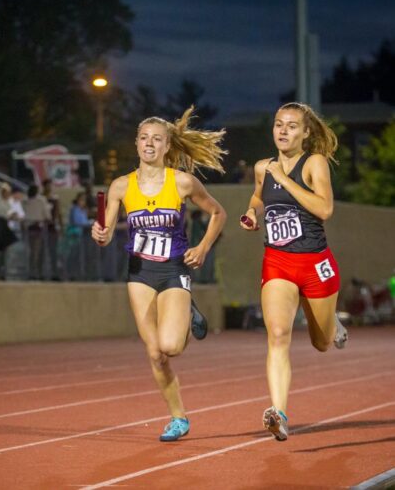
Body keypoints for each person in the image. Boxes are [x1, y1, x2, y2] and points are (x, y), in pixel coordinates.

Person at [91, 106, 227, 441]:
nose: (149, 144)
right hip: (139, 272)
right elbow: (106, 229)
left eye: (157, 139)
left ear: (167, 147)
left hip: (173, 270)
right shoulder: (121, 186)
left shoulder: (181, 182)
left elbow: (218, 212)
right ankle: (178, 418)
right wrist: (101, 234)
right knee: (155, 354)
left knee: (171, 346)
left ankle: (186, 312)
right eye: (144, 138)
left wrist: (204, 247)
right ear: (136, 144)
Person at [239, 102, 348, 442]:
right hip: (279, 262)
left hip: (316, 264)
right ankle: (280, 414)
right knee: (278, 334)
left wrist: (285, 180)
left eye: (291, 126)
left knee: (321, 342)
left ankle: (331, 323)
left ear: (305, 133)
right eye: (278, 124)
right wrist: (253, 214)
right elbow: (258, 198)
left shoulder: (314, 163)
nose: (283, 131)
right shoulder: (263, 167)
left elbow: (325, 209)